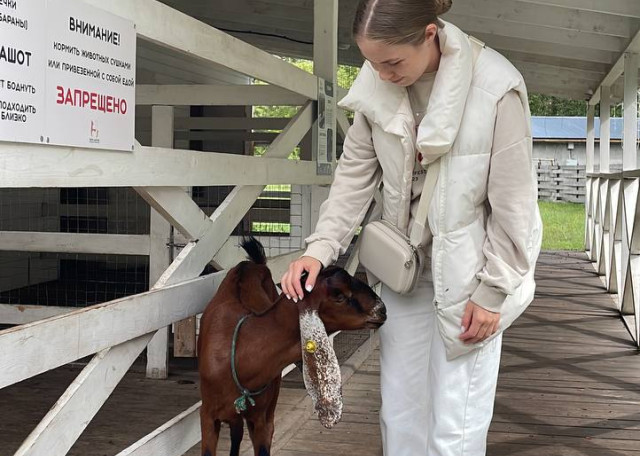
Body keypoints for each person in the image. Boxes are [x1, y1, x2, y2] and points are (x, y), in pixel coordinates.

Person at [281, 0, 542, 454]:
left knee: (456, 423)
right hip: (404, 272)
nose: (382, 75)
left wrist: (493, 291)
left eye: (393, 62)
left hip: (472, 276)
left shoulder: (497, 87)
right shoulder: (375, 82)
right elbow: (354, 177)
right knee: (399, 411)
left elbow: (514, 204)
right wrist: (318, 249)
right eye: (372, 63)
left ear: (429, 35)